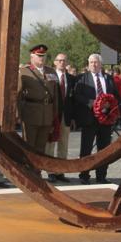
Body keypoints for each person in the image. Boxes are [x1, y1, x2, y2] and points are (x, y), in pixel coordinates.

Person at [74, 53, 116, 184]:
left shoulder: (108, 78)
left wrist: (110, 105)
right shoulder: (82, 78)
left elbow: (115, 96)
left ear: (101, 64)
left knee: (104, 149)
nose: (93, 64)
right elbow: (77, 95)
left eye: (96, 62)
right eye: (91, 62)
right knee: (86, 149)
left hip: (106, 119)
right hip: (89, 118)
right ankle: (84, 175)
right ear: (88, 64)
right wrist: (93, 103)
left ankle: (101, 176)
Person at [16, 44, 58, 155]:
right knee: (29, 146)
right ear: (32, 56)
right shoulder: (24, 71)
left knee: (41, 147)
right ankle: (28, 170)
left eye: (43, 55)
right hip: (31, 114)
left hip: (47, 114)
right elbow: (18, 94)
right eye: (39, 55)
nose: (42, 58)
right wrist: (17, 114)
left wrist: (55, 113)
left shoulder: (51, 72)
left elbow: (56, 95)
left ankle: (37, 171)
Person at [45, 52, 75, 182]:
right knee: (50, 142)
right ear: (55, 62)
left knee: (64, 143)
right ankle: (50, 171)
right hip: (53, 115)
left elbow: (73, 100)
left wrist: (73, 117)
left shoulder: (72, 78)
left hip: (66, 116)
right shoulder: (49, 76)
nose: (62, 62)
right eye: (59, 60)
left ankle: (60, 171)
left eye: (64, 60)